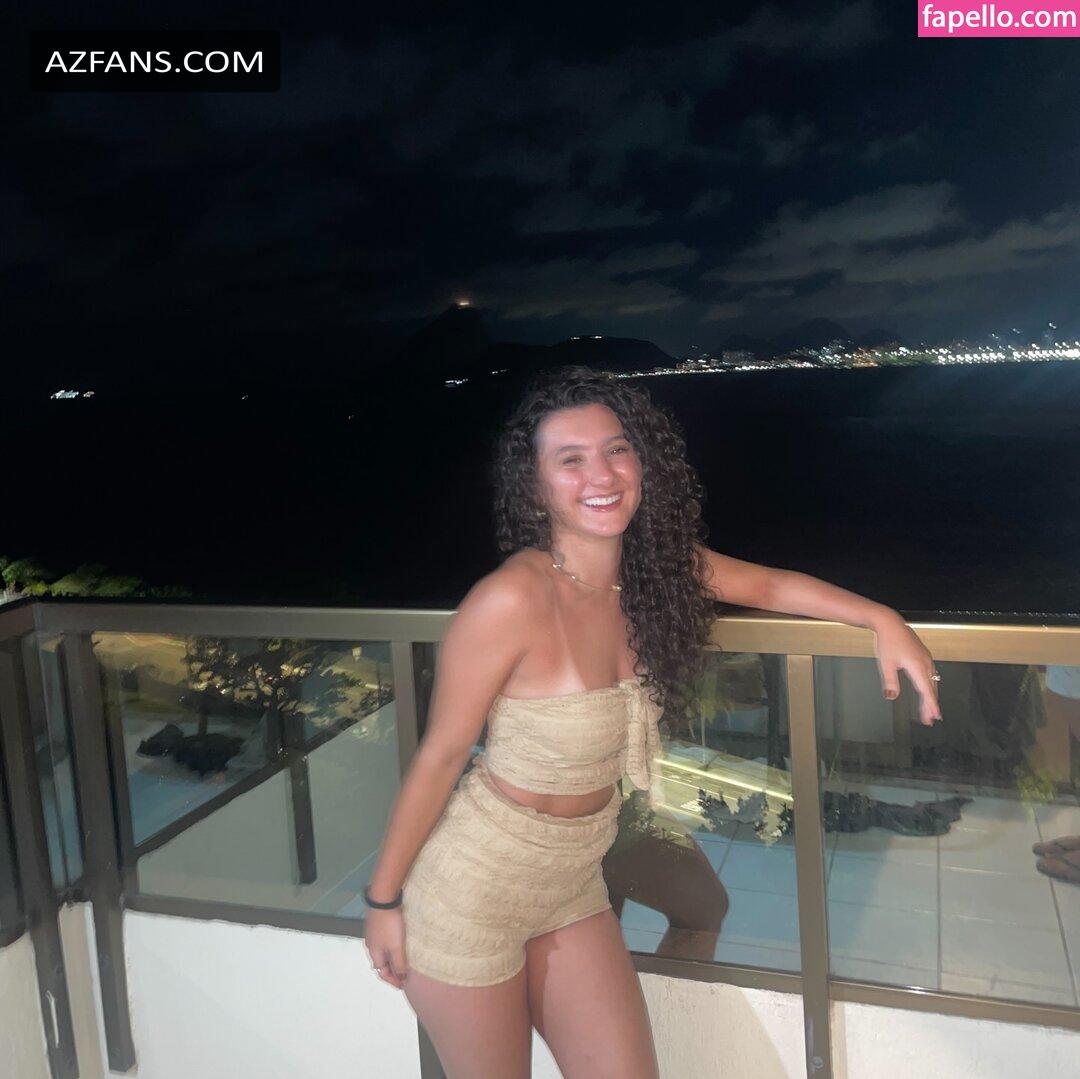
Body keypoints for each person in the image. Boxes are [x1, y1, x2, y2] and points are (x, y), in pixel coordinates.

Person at [363, 365, 943, 1078]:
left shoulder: (652, 573)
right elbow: (441, 754)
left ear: (642, 462)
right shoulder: (511, 599)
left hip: (574, 880)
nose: (601, 474)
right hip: (472, 889)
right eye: (570, 459)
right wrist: (383, 899)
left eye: (616, 449)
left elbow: (769, 585)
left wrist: (883, 618)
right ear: (535, 484)